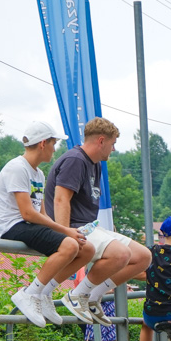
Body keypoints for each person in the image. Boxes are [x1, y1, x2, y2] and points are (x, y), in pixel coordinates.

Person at [44, 117, 151, 325]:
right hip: (76, 227)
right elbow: (61, 199)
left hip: (90, 225)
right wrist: (66, 236)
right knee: (121, 254)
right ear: (101, 140)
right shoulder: (76, 160)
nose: (113, 150)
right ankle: (77, 295)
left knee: (143, 257)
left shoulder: (96, 164)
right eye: (112, 144)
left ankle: (92, 297)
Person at [0, 121, 95, 327]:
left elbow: (41, 213)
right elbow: (28, 213)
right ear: (42, 144)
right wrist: (65, 231)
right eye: (53, 144)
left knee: (87, 249)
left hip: (28, 225)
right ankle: (30, 293)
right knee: (69, 244)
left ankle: (45, 293)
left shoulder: (38, 173)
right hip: (13, 226)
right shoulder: (17, 168)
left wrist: (68, 231)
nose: (54, 150)